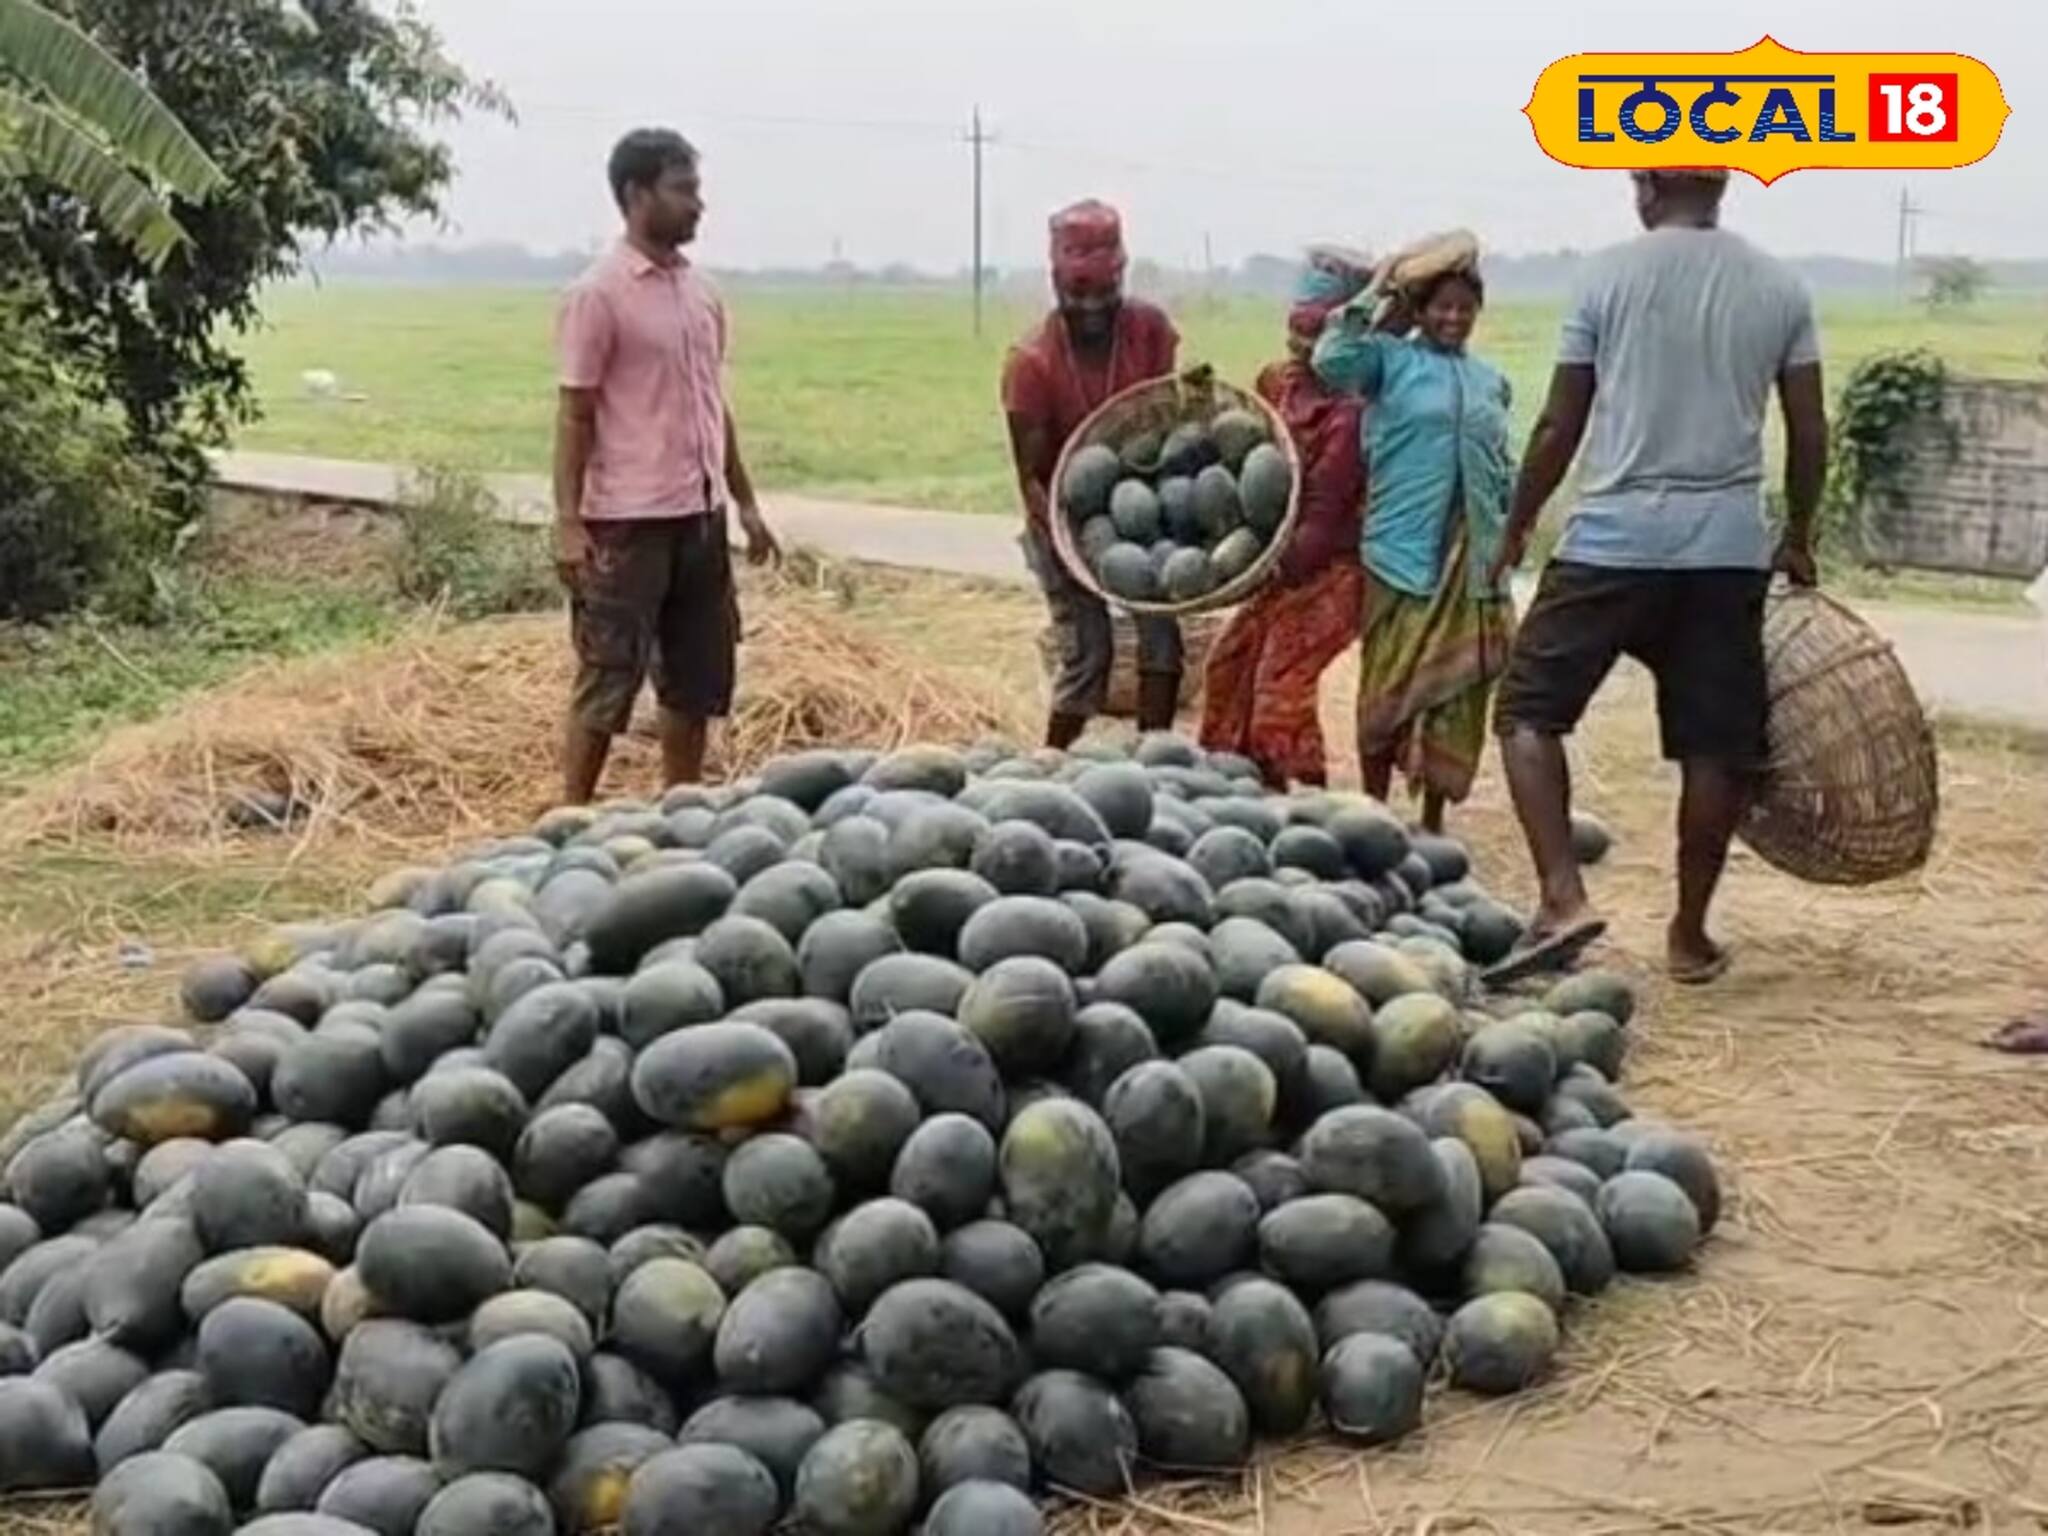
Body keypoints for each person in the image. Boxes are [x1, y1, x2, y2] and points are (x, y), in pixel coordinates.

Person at [1488, 169, 1828, 984]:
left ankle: (1564, 897)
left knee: (1528, 711)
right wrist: (1799, 534)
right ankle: (1688, 936)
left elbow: (1559, 422)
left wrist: (1519, 523)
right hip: (1725, 551)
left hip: (1612, 540)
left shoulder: (1606, 276)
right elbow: (1810, 428)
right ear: (1722, 187)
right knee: (1715, 749)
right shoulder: (1780, 286)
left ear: (1644, 187)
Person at [552, 128, 781, 805]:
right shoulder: (597, 295)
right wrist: (568, 522)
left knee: (695, 680)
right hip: (628, 521)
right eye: (683, 190)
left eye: (697, 190)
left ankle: (681, 810)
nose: (698, 205)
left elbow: (713, 405)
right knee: (608, 676)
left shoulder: (701, 294)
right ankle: (569, 816)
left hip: (700, 516)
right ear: (636, 195)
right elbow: (574, 413)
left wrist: (745, 503)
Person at [1311, 257, 1516, 833]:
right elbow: (1331, 358)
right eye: (1442, 307)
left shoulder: (1490, 381)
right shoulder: (1387, 361)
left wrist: (1513, 528)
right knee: (1388, 682)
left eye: (1465, 308)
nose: (1454, 318)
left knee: (1454, 696)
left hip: (1472, 557)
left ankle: (1432, 820)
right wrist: (1376, 292)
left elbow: (1503, 464)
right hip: (1400, 551)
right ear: (1420, 311)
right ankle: (1374, 810)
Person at [1002, 200, 1183, 747]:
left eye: (1105, 293)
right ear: (1057, 284)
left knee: (1161, 633)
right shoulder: (1031, 363)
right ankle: (1049, 765)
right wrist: (1072, 551)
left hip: (1138, 505)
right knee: (1089, 651)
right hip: (1059, 517)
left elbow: (1169, 414)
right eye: (1078, 294)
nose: (1093, 308)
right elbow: (1031, 478)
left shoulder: (1149, 331)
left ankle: (1155, 760)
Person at [1199, 247, 1374, 787]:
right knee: (1228, 664)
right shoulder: (1277, 383)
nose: (1299, 347)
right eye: (1294, 332)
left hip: (1336, 568)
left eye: (1314, 335)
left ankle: (1304, 799)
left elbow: (1322, 514)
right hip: (1281, 558)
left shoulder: (1350, 415)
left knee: (1280, 682)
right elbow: (1245, 448)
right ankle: (1241, 786)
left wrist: (1266, 567)